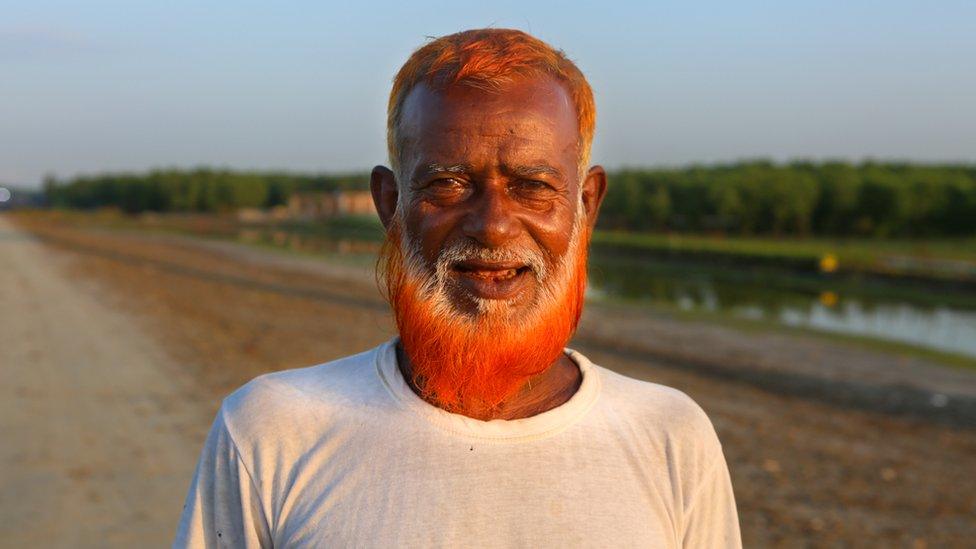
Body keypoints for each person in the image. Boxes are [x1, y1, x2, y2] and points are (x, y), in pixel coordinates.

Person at [174, 28, 741, 548]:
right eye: (447, 183)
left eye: (532, 186)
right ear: (390, 204)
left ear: (585, 205)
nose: (492, 224)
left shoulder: (671, 436)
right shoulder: (271, 430)